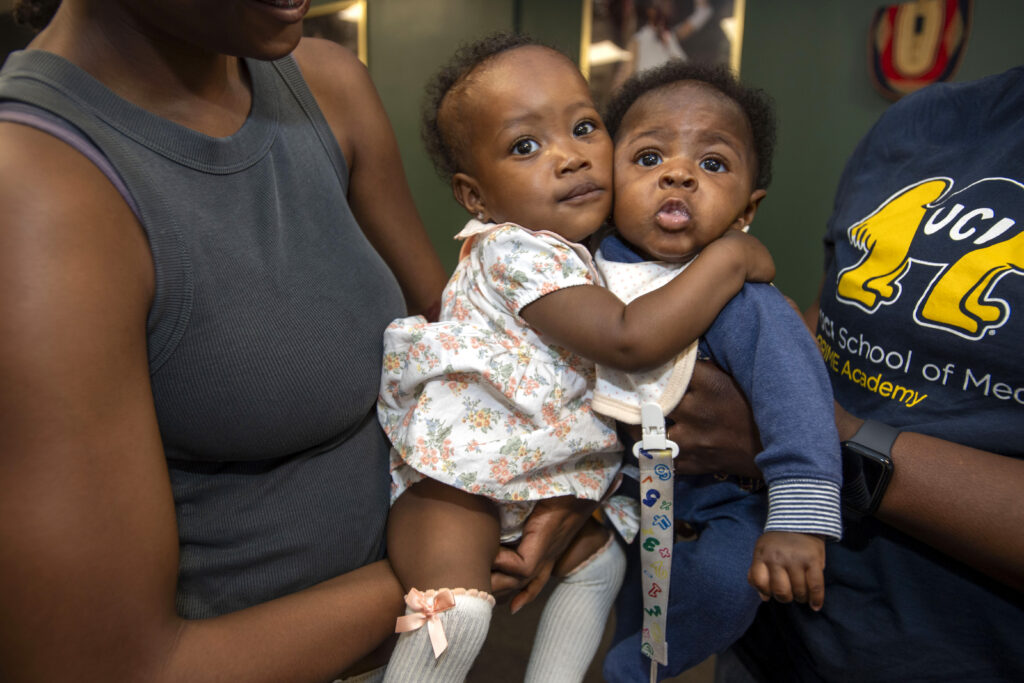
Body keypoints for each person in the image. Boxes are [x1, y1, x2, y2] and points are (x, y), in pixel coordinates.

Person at [0, 0, 460, 680]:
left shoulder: (329, 85)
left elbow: (453, 338)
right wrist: (457, 578)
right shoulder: (34, 188)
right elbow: (110, 666)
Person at [375, 33, 776, 683]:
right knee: (459, 614)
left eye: (584, 127)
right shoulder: (514, 251)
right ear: (475, 196)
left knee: (602, 565)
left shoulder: (586, 250)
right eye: (525, 146)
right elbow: (626, 337)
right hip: (461, 483)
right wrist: (728, 260)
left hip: (549, 477)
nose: (569, 157)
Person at [670, 67, 1024, 681]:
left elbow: (787, 431)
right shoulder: (922, 120)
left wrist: (804, 443)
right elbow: (833, 323)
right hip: (776, 623)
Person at [594, 61, 843, 682]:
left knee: (730, 584)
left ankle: (633, 669)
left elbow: (799, 399)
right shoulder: (588, 272)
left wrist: (797, 520)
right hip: (627, 492)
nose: (678, 172)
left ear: (745, 211)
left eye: (713, 164)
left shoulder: (743, 299)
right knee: (628, 597)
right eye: (649, 158)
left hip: (730, 500)